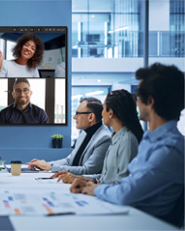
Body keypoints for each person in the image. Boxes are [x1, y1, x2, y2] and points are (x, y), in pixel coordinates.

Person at [69, 63, 184, 226]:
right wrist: (90, 184)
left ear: (150, 102)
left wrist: (94, 188)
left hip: (140, 222)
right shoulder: (151, 140)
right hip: (128, 214)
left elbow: (126, 193)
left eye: (138, 97)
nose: (135, 103)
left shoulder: (168, 149)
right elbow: (127, 183)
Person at [52, 90, 143, 184]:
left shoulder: (127, 140)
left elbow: (121, 183)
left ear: (110, 113)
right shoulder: (116, 137)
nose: (102, 114)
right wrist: (78, 177)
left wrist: (94, 188)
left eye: (103, 109)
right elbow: (105, 177)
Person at [27, 97, 111, 174]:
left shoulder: (104, 138)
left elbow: (88, 170)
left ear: (91, 117)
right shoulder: (84, 133)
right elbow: (69, 161)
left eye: (78, 113)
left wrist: (50, 167)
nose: (74, 117)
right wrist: (44, 164)